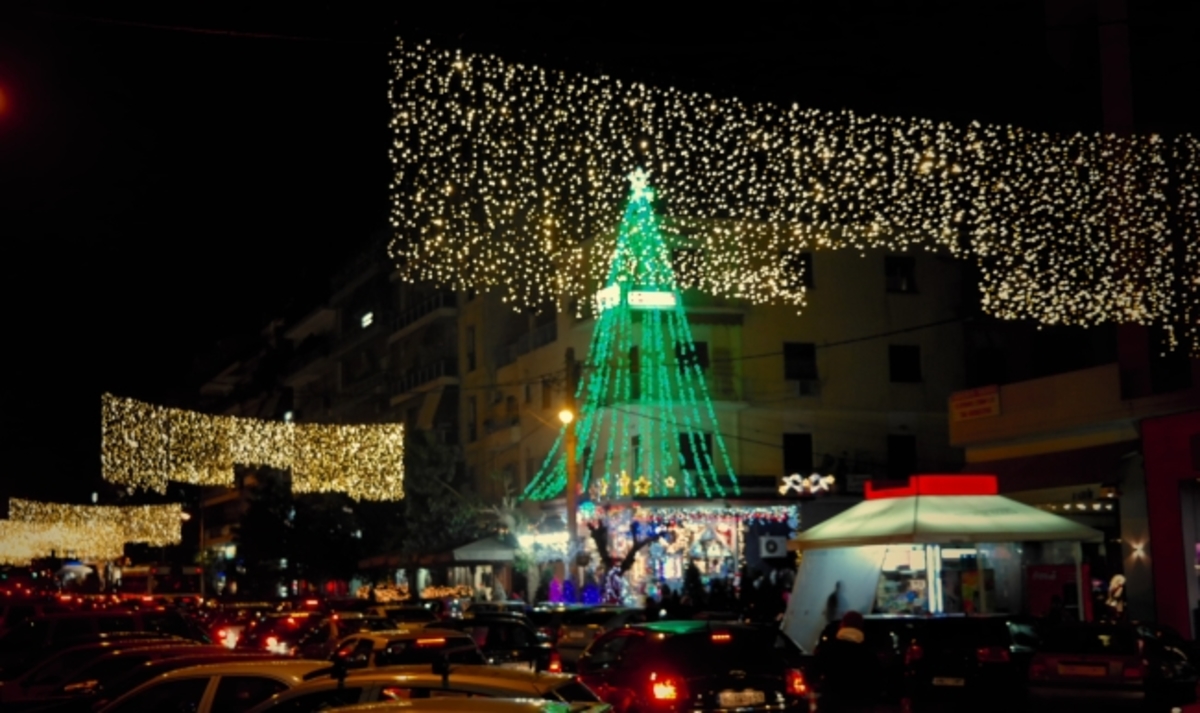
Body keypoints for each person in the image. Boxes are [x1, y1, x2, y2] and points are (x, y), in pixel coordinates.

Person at [814, 610, 885, 712]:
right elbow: (877, 682)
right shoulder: (868, 653)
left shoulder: (829, 649)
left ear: (843, 625)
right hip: (860, 705)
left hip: (833, 704)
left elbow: (813, 673)